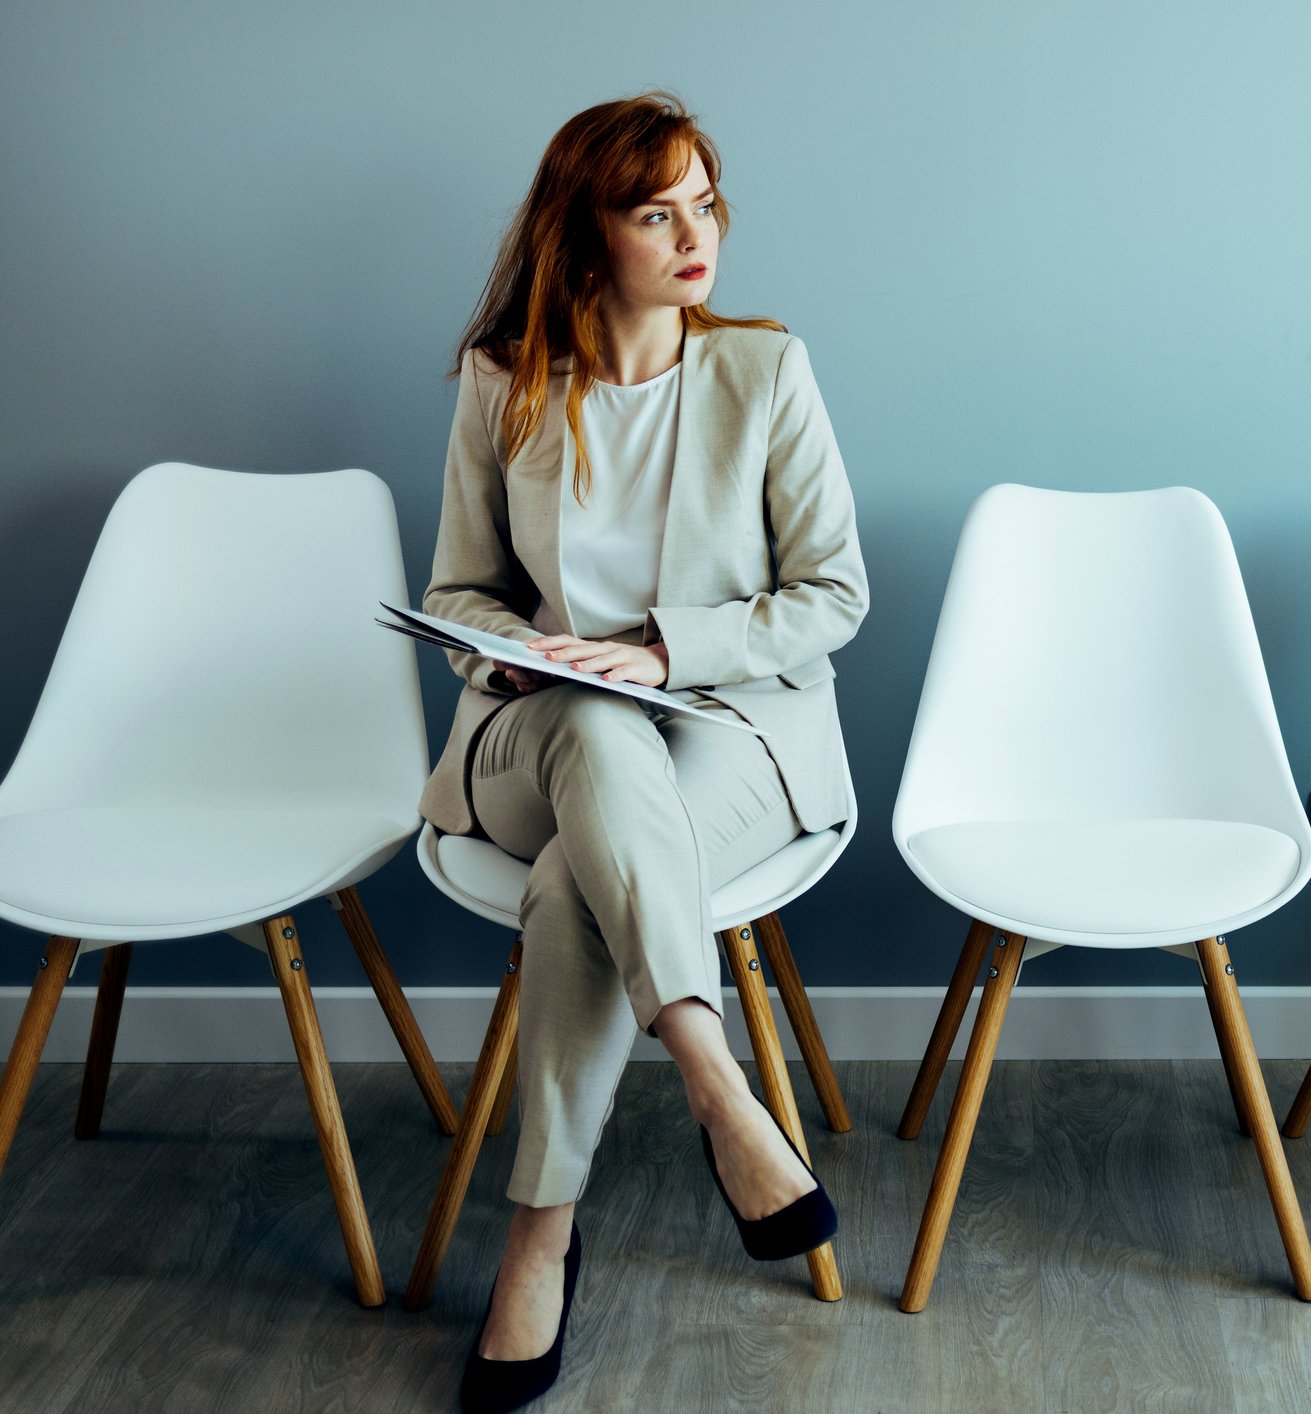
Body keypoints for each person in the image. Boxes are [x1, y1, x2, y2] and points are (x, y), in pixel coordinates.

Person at [418, 90, 867, 1413]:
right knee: (595, 734)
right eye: (655, 208)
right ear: (584, 231)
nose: (695, 234)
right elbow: (457, 594)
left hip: (726, 728)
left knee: (577, 889)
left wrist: (666, 652)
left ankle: (538, 1237)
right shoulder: (506, 384)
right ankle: (722, 1092)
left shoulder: (764, 371)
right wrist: (515, 651)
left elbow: (832, 594)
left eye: (706, 203)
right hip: (531, 741)